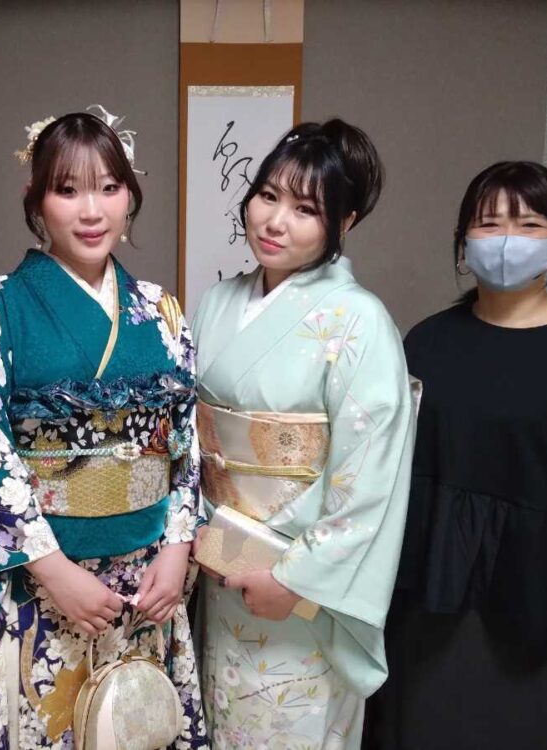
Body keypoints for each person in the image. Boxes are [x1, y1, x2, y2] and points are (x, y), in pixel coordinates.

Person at [0, 109, 209, 748]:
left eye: (109, 188)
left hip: (143, 581)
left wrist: (176, 549)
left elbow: (184, 440)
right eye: (67, 190)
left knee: (134, 724)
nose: (92, 211)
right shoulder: (1, 306)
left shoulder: (161, 311)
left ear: (129, 196)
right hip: (38, 577)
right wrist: (54, 570)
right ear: (36, 200)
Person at [190, 119, 415, 749]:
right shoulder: (215, 302)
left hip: (300, 585)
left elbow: (371, 477)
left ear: (344, 222)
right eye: (267, 196)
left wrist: (293, 578)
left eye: (305, 209)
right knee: (220, 717)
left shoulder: (361, 321)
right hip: (221, 558)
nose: (275, 221)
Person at [369, 161, 547, 750]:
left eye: (528, 224)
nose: (506, 240)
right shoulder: (427, 341)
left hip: (539, 608)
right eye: (489, 223)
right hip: (425, 601)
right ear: (463, 237)